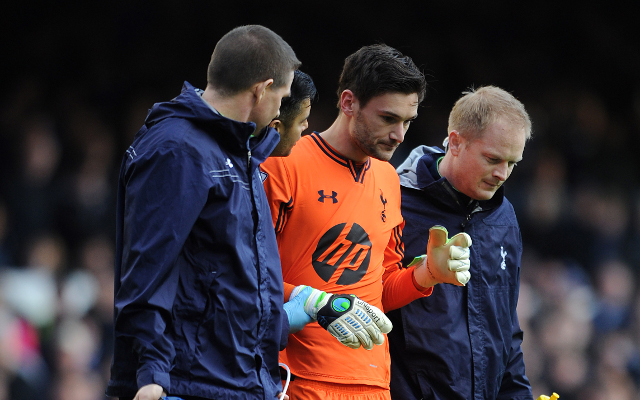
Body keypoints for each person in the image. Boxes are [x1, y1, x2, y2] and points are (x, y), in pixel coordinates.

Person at [106, 25, 308, 400]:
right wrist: (151, 374)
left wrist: (288, 316)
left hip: (237, 381)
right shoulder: (178, 151)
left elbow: (228, 274)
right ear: (261, 90)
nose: (281, 109)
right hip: (186, 384)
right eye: (281, 97)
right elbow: (149, 268)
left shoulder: (236, 152)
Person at [260, 44, 472, 400]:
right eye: (388, 119)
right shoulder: (283, 163)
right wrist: (313, 302)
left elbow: (379, 292)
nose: (400, 135)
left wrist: (427, 275)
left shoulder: (389, 179)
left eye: (407, 122)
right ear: (348, 103)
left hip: (372, 384)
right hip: (294, 380)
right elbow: (246, 277)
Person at [387, 85, 534, 399]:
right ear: (455, 143)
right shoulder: (394, 202)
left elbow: (506, 329)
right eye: (493, 158)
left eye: (512, 163)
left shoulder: (504, 216)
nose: (502, 174)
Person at [268, 69, 318, 157]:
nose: (306, 125)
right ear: (275, 128)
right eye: (301, 121)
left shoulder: (247, 164)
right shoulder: (240, 167)